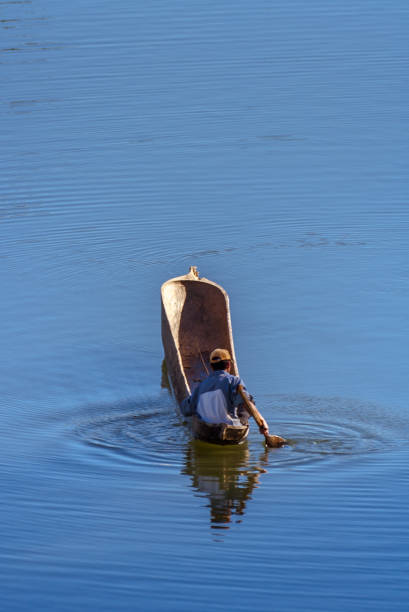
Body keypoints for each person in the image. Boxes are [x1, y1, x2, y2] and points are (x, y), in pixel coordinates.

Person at [181, 348, 268, 433]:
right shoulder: (234, 381)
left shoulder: (201, 386)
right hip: (230, 425)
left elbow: (186, 410)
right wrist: (261, 421)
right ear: (228, 365)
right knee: (248, 399)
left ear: (211, 367)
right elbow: (247, 403)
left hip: (207, 429)